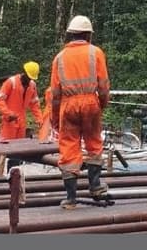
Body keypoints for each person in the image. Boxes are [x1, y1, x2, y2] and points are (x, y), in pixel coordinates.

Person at [49, 15, 111, 210]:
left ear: (71, 35)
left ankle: (71, 198)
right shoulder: (96, 53)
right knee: (93, 142)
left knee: (68, 148)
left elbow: (55, 93)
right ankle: (95, 187)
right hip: (90, 103)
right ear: (87, 35)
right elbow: (104, 85)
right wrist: (101, 104)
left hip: (68, 106)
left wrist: (55, 117)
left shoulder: (59, 58)